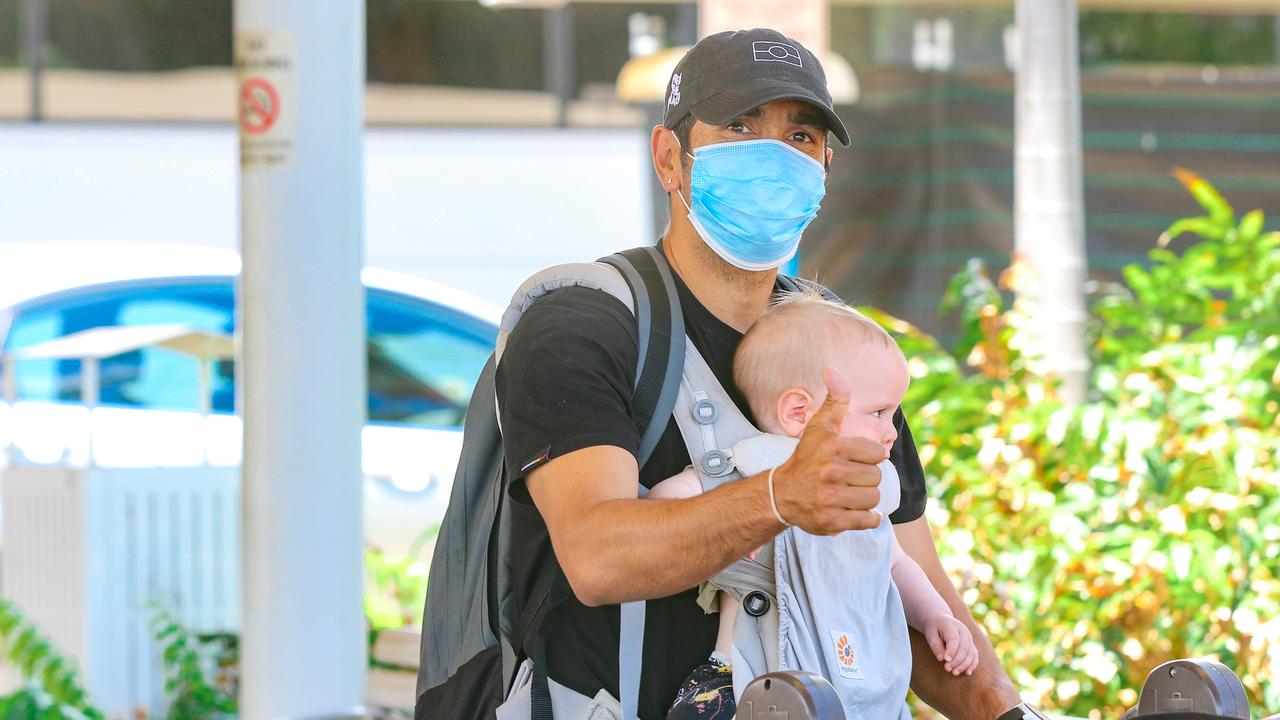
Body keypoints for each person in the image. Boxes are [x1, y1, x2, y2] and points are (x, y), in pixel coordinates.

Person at [495, 27, 1022, 719]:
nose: (775, 157)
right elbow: (597, 558)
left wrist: (1009, 711)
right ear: (670, 159)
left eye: (801, 138)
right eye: (741, 127)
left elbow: (910, 592)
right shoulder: (585, 326)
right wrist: (777, 496)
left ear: (824, 170)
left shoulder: (843, 350)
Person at [655, 290, 978, 719]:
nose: (893, 433)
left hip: (856, 691)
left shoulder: (871, 486)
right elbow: (667, 500)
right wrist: (727, 520)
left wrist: (935, 615)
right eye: (879, 412)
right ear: (799, 412)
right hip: (752, 686)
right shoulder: (756, 464)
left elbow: (895, 563)